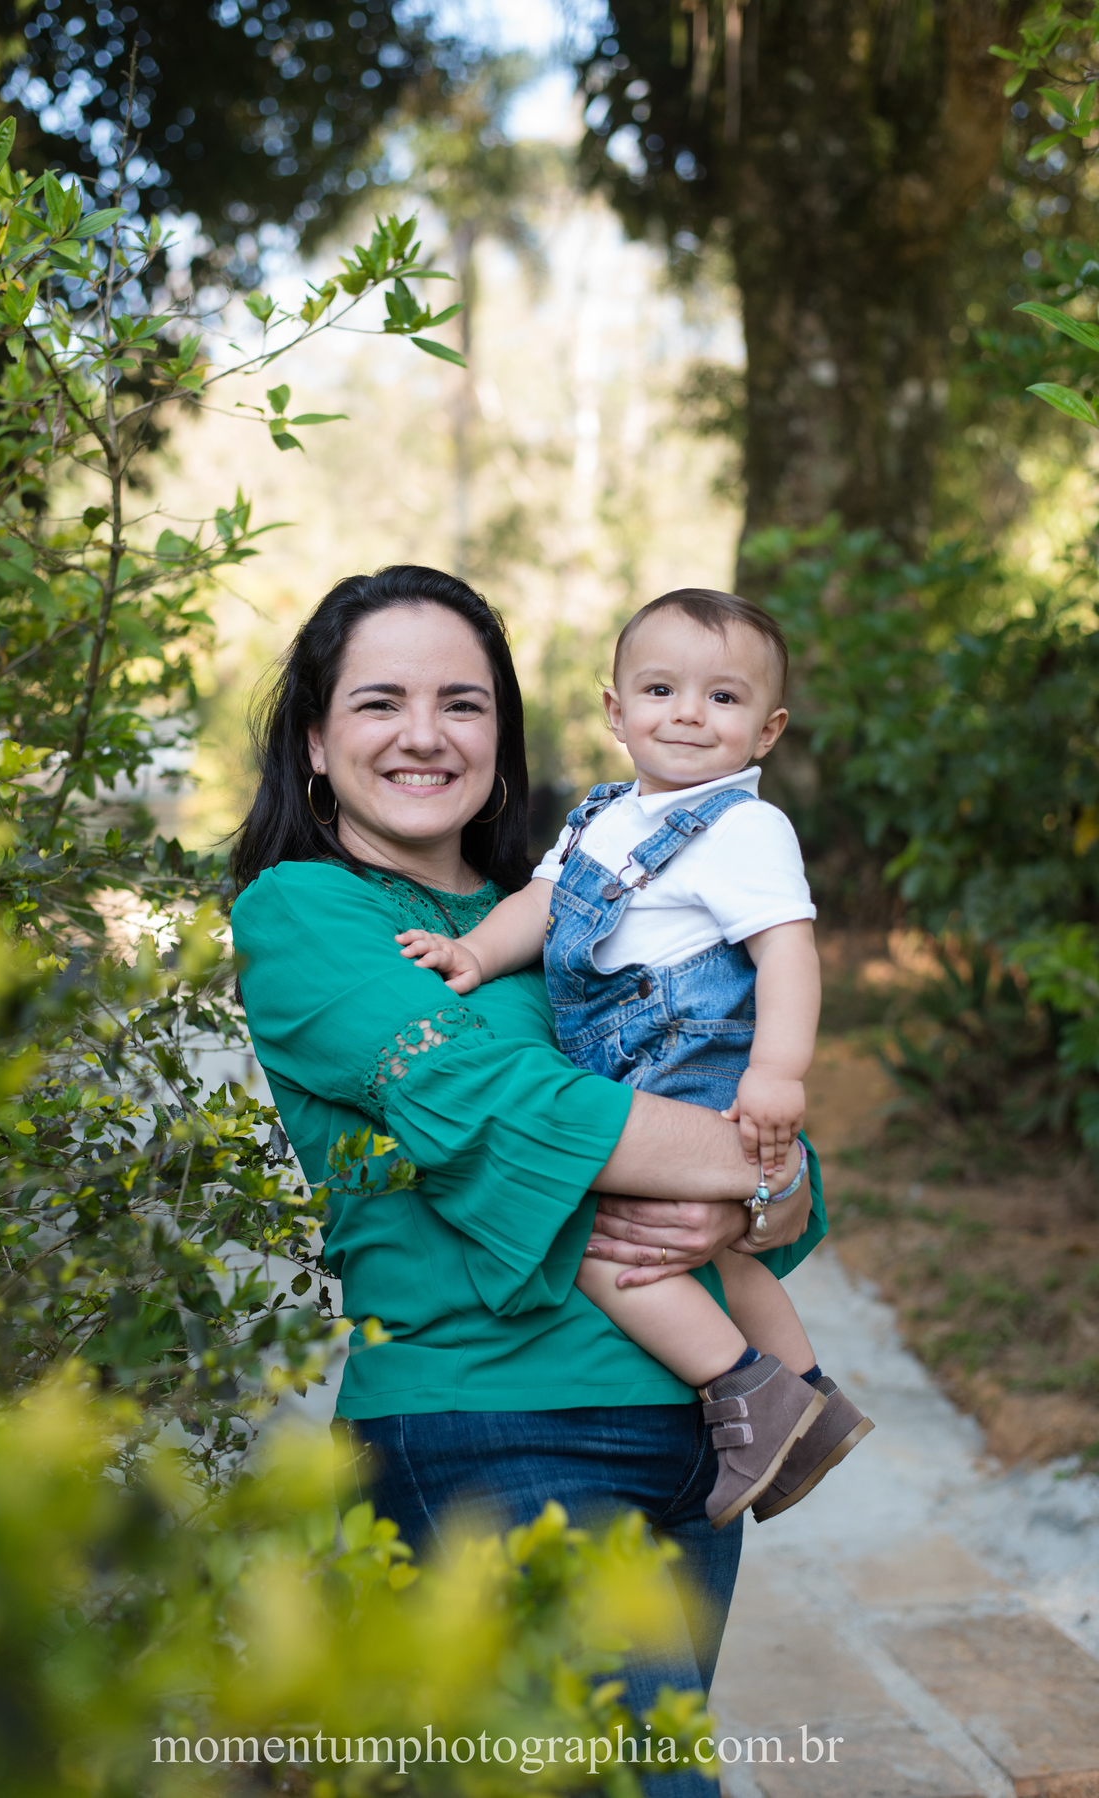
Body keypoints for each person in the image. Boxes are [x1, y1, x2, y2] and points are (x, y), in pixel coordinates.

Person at [230, 565, 827, 1798]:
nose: (423, 735)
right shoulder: (306, 912)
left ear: (503, 739)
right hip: (492, 1428)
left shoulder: (572, 918)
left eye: (463, 702)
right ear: (314, 739)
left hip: (700, 1436)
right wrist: (748, 1167)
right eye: (379, 701)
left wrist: (765, 1187)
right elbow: (507, 1108)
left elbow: (780, 1177)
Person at [397, 589, 873, 1530]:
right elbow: (541, 907)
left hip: (692, 1057)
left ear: (768, 729)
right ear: (615, 711)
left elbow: (787, 951)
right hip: (628, 1062)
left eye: (723, 699)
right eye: (660, 689)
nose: (689, 713)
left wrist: (778, 1074)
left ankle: (747, 1390)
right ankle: (811, 1398)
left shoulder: (744, 829)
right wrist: (476, 954)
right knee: (713, 1255)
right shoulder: (600, 818)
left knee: (605, 1245)